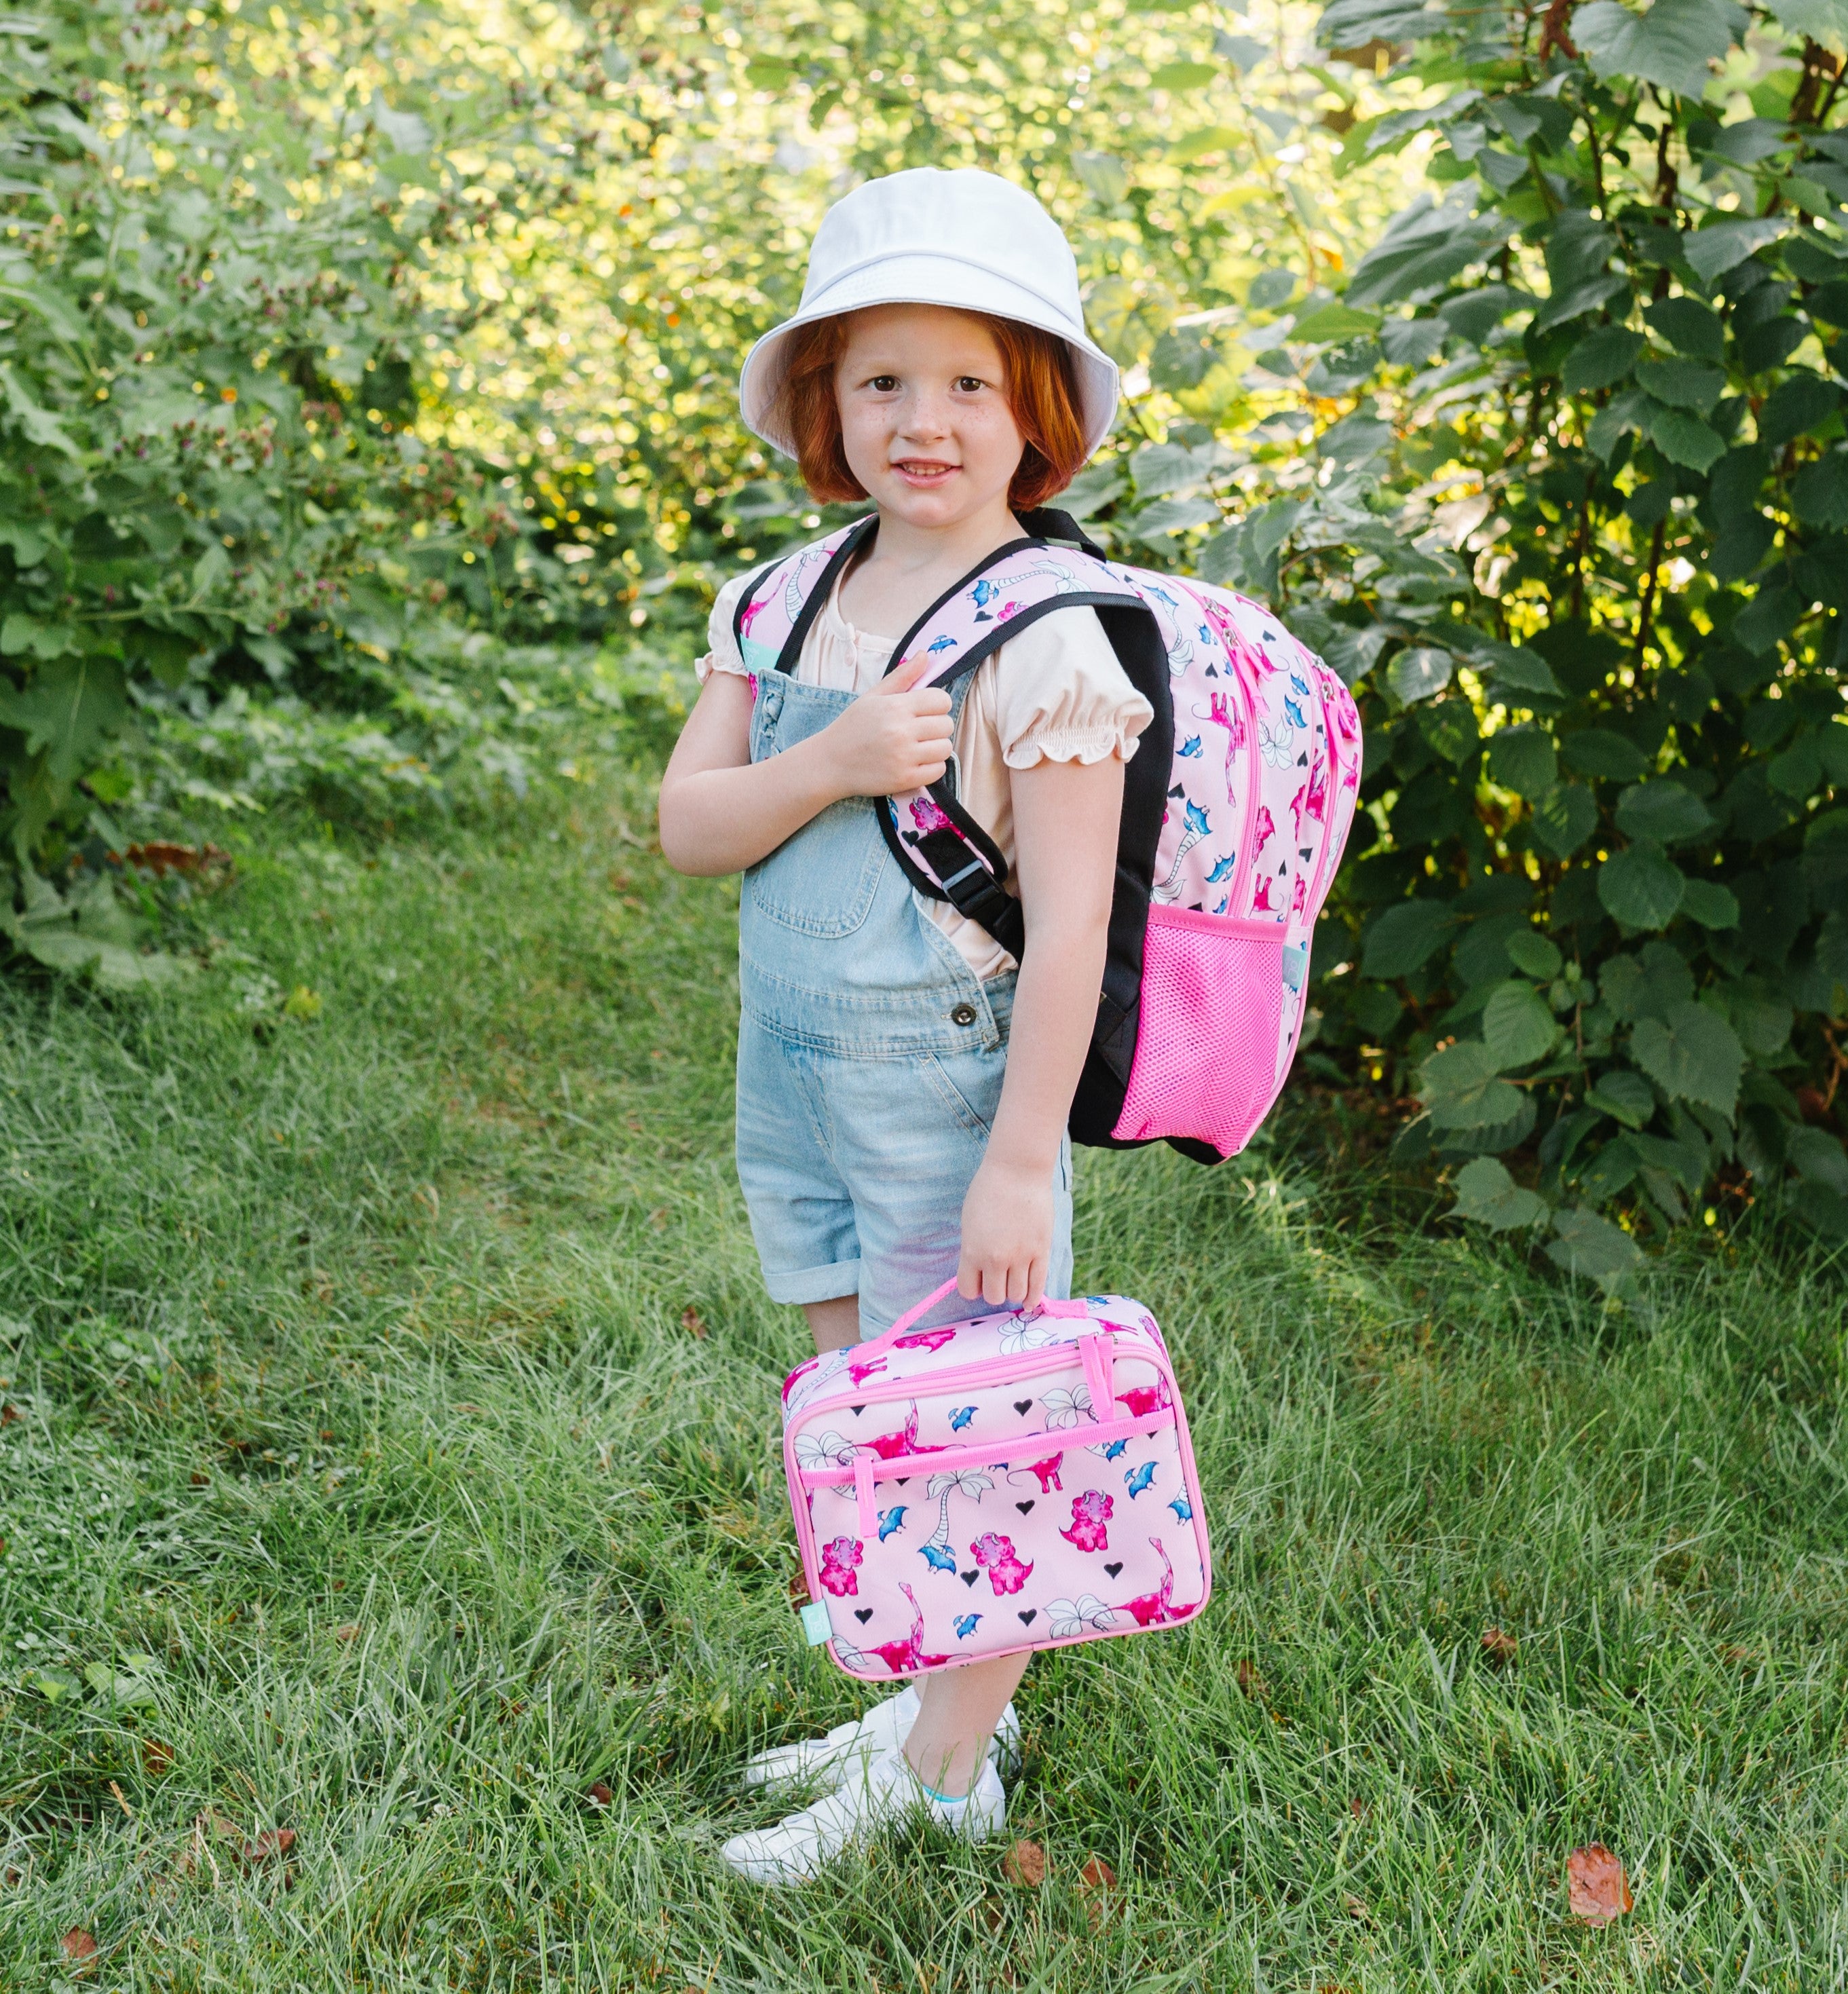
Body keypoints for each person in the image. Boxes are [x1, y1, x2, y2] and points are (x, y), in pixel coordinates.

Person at [656, 166, 1150, 1885]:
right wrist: (834, 758)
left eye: (966, 383)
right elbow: (690, 824)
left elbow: (1075, 924)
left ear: (1037, 415)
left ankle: (942, 1776)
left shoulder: (1051, 639)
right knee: (856, 1398)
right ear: (824, 404)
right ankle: (928, 1697)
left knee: (980, 1431)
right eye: (879, 380)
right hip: (787, 1071)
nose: (919, 422)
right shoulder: (786, 597)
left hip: (951, 1088)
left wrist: (1024, 1159)